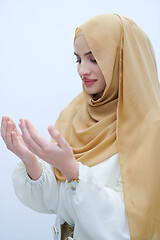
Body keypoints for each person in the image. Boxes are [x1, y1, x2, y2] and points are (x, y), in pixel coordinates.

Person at [1, 13, 160, 240]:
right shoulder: (75, 114)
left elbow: (132, 226)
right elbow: (58, 202)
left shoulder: (151, 129)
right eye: (78, 59)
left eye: (94, 59)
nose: (81, 70)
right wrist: (30, 160)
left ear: (123, 61)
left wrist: (73, 172)